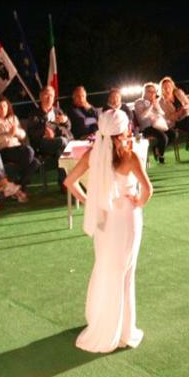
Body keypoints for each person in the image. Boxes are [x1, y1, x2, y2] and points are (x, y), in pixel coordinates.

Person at [64, 108, 152, 354]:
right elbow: (148, 190)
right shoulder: (131, 156)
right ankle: (123, 330)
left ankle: (104, 323)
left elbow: (69, 182)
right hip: (126, 218)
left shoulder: (93, 154)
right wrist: (138, 202)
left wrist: (89, 200)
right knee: (125, 272)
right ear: (123, 131)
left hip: (104, 219)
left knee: (105, 267)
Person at [0, 96, 40, 190]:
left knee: (36, 162)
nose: (3, 109)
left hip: (17, 147)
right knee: (29, 151)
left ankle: (17, 185)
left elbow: (23, 135)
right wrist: (8, 135)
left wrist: (16, 132)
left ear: (8, 107)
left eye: (4, 106)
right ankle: (20, 183)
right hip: (4, 150)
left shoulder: (13, 118)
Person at [25, 85, 73, 165]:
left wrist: (66, 120)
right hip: (42, 143)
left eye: (51, 96)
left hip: (59, 140)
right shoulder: (34, 114)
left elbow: (68, 127)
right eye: (47, 95)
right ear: (41, 97)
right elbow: (32, 133)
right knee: (63, 141)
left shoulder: (57, 111)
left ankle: (64, 171)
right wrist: (44, 131)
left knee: (61, 148)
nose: (49, 98)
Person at [160, 77, 189, 159]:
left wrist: (184, 109)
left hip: (187, 116)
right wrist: (179, 113)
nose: (167, 89)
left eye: (169, 86)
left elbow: (188, 104)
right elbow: (168, 117)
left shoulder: (178, 92)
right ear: (162, 89)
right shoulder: (161, 101)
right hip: (176, 122)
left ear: (172, 86)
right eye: (165, 87)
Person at [133, 83, 170, 164]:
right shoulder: (139, 102)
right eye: (150, 91)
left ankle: (156, 148)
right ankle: (161, 156)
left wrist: (156, 106)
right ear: (144, 92)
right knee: (163, 137)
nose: (153, 94)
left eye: (154, 92)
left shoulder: (155, 101)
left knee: (173, 134)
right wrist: (151, 106)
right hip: (146, 128)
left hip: (158, 125)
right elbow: (142, 117)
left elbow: (162, 113)